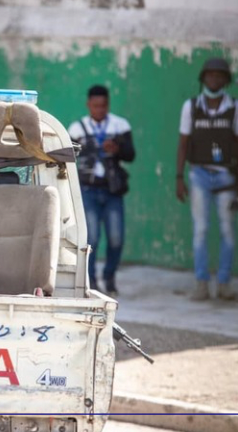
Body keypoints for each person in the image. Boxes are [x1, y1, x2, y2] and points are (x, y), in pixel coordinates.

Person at [175, 58, 238, 301]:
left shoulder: (236, 108)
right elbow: (183, 143)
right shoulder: (192, 106)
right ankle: (202, 283)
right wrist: (179, 177)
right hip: (199, 174)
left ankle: (224, 283)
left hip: (226, 174)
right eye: (210, 75)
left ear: (226, 80)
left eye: (219, 75)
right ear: (203, 78)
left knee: (228, 230)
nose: (214, 79)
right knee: (201, 229)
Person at [68, 85, 135, 296]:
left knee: (116, 239)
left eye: (103, 106)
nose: (99, 110)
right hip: (88, 190)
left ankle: (109, 276)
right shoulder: (76, 129)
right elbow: (70, 159)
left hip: (112, 190)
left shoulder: (120, 125)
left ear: (108, 105)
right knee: (92, 239)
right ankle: (92, 281)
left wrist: (117, 149)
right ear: (89, 105)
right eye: (95, 106)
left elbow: (131, 155)